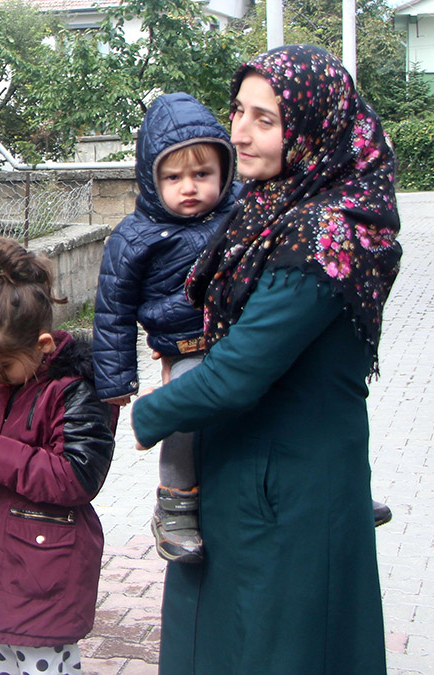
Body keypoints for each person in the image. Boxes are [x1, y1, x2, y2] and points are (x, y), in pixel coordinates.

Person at [132, 44, 400, 674]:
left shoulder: (327, 234)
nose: (241, 134)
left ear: (312, 129)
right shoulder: (267, 206)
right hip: (240, 477)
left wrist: (150, 412)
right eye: (239, 111)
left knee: (278, 649)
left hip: (290, 492)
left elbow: (238, 371)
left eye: (266, 120)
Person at [0, 238, 115, 675]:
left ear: (44, 344)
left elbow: (77, 476)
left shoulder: (72, 389)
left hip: (46, 572)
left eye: (5, 367)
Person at [92, 92, 238, 563]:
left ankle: (329, 488)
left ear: (226, 171)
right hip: (187, 345)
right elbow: (112, 310)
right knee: (185, 408)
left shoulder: (240, 213)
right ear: (152, 180)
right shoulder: (134, 237)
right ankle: (175, 505)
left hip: (243, 338)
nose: (189, 187)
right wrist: (116, 381)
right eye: (173, 177)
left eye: (202, 174)